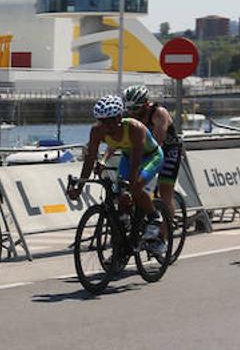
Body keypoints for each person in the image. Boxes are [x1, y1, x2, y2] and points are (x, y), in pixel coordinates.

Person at [68, 95, 166, 254]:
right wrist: (80, 186)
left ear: (119, 117)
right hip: (127, 157)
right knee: (119, 202)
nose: (105, 126)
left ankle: (155, 217)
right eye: (101, 121)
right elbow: (90, 158)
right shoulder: (97, 131)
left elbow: (136, 162)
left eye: (109, 121)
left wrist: (129, 187)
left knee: (133, 187)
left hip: (150, 156)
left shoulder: (135, 128)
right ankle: (120, 251)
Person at [123, 85, 183, 233]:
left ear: (146, 104)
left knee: (164, 194)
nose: (132, 112)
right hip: (146, 151)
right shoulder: (130, 115)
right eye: (129, 109)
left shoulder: (159, 113)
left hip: (167, 151)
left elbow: (158, 143)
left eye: (136, 108)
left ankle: (163, 235)